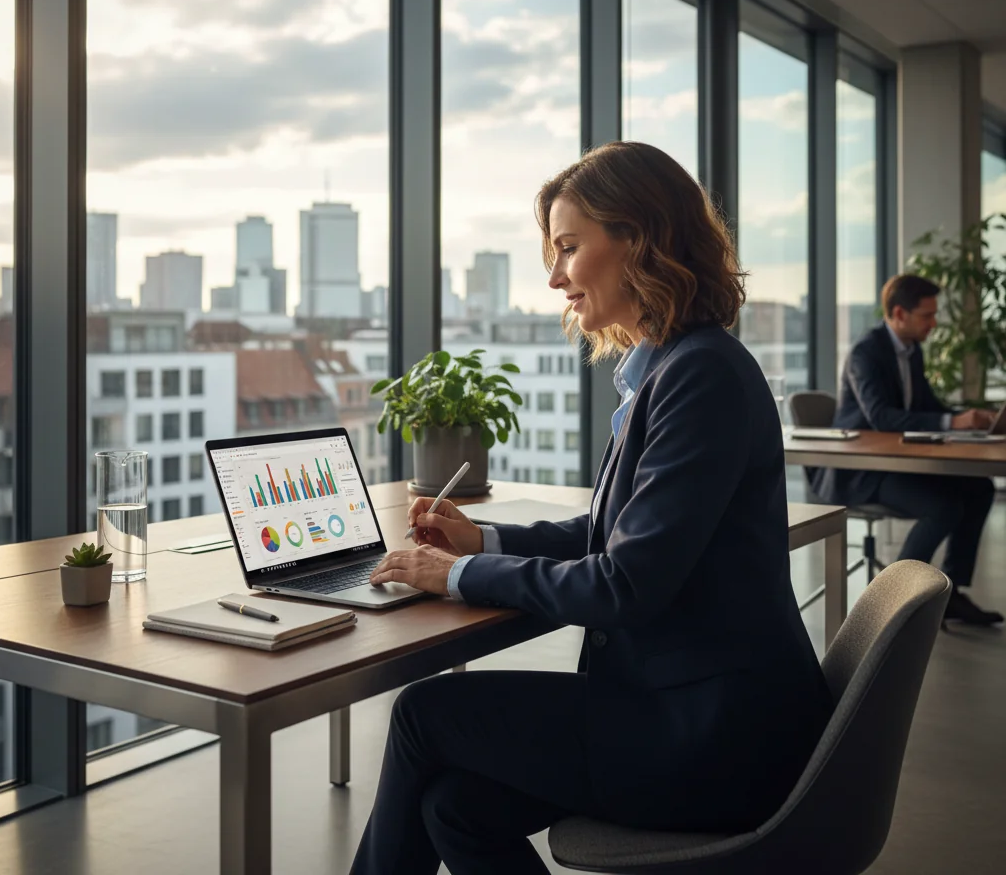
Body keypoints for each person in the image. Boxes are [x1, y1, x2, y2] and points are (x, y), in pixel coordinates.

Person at [352, 142, 833, 875]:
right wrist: (480, 538)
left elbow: (625, 584)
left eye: (569, 249)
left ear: (638, 239)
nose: (554, 278)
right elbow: (611, 536)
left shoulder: (699, 375)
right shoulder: (675, 369)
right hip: (691, 711)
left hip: (716, 738)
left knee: (425, 715)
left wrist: (451, 577)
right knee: (455, 807)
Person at [813, 273, 1002, 626]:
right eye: (927, 316)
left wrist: (968, 419)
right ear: (899, 313)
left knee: (979, 488)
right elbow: (881, 416)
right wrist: (951, 424)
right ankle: (895, 603)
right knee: (943, 508)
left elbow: (925, 404)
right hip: (861, 470)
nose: (934, 323)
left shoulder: (911, 351)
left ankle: (952, 592)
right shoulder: (865, 353)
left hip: (895, 463)